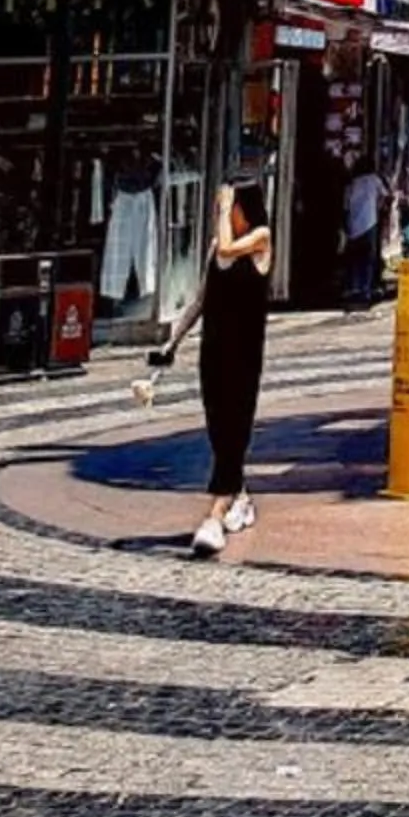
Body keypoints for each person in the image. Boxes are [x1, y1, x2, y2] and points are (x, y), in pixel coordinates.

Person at [152, 177, 273, 556]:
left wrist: (224, 207)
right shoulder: (215, 250)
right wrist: (173, 342)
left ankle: (216, 513)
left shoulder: (260, 239)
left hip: (244, 351)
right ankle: (239, 496)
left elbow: (227, 246)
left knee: (236, 425)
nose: (224, 214)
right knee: (218, 426)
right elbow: (201, 301)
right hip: (214, 349)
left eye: (230, 208)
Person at [340, 161, 383, 308]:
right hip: (370, 223)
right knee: (368, 259)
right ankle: (365, 289)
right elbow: (384, 196)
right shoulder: (374, 180)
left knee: (354, 259)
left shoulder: (350, 185)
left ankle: (354, 287)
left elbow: (345, 208)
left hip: (354, 226)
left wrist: (345, 226)